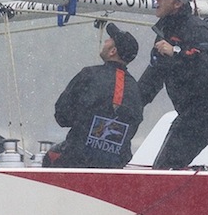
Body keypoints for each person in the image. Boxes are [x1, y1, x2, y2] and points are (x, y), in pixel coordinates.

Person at [136, 0, 208, 169]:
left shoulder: (197, 28)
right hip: (189, 112)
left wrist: (176, 52)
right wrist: (132, 103)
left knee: (166, 167)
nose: (157, 0)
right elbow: (155, 73)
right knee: (163, 168)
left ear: (177, 3)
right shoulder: (165, 31)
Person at [46, 23, 143, 168]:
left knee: (49, 157)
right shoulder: (135, 88)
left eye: (109, 40)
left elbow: (62, 116)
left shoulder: (89, 75)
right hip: (114, 165)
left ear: (112, 51)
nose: (105, 42)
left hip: (77, 159)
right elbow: (133, 125)